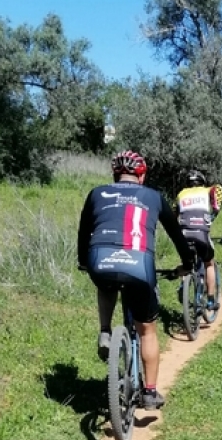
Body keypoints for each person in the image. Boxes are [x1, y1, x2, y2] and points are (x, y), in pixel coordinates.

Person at [77, 150, 195, 410]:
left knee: (106, 281)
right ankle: (150, 393)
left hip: (100, 258)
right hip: (139, 264)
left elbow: (84, 231)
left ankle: (106, 331)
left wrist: (84, 261)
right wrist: (188, 263)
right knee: (147, 331)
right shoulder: (154, 196)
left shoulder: (97, 193)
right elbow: (176, 234)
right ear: (141, 175)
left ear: (115, 174)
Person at [175, 169, 220, 310]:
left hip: (183, 234)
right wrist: (210, 218)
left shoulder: (181, 194)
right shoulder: (208, 191)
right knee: (209, 264)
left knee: (186, 262)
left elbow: (174, 215)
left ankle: (184, 285)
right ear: (202, 182)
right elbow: (216, 207)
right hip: (201, 233)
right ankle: (211, 300)